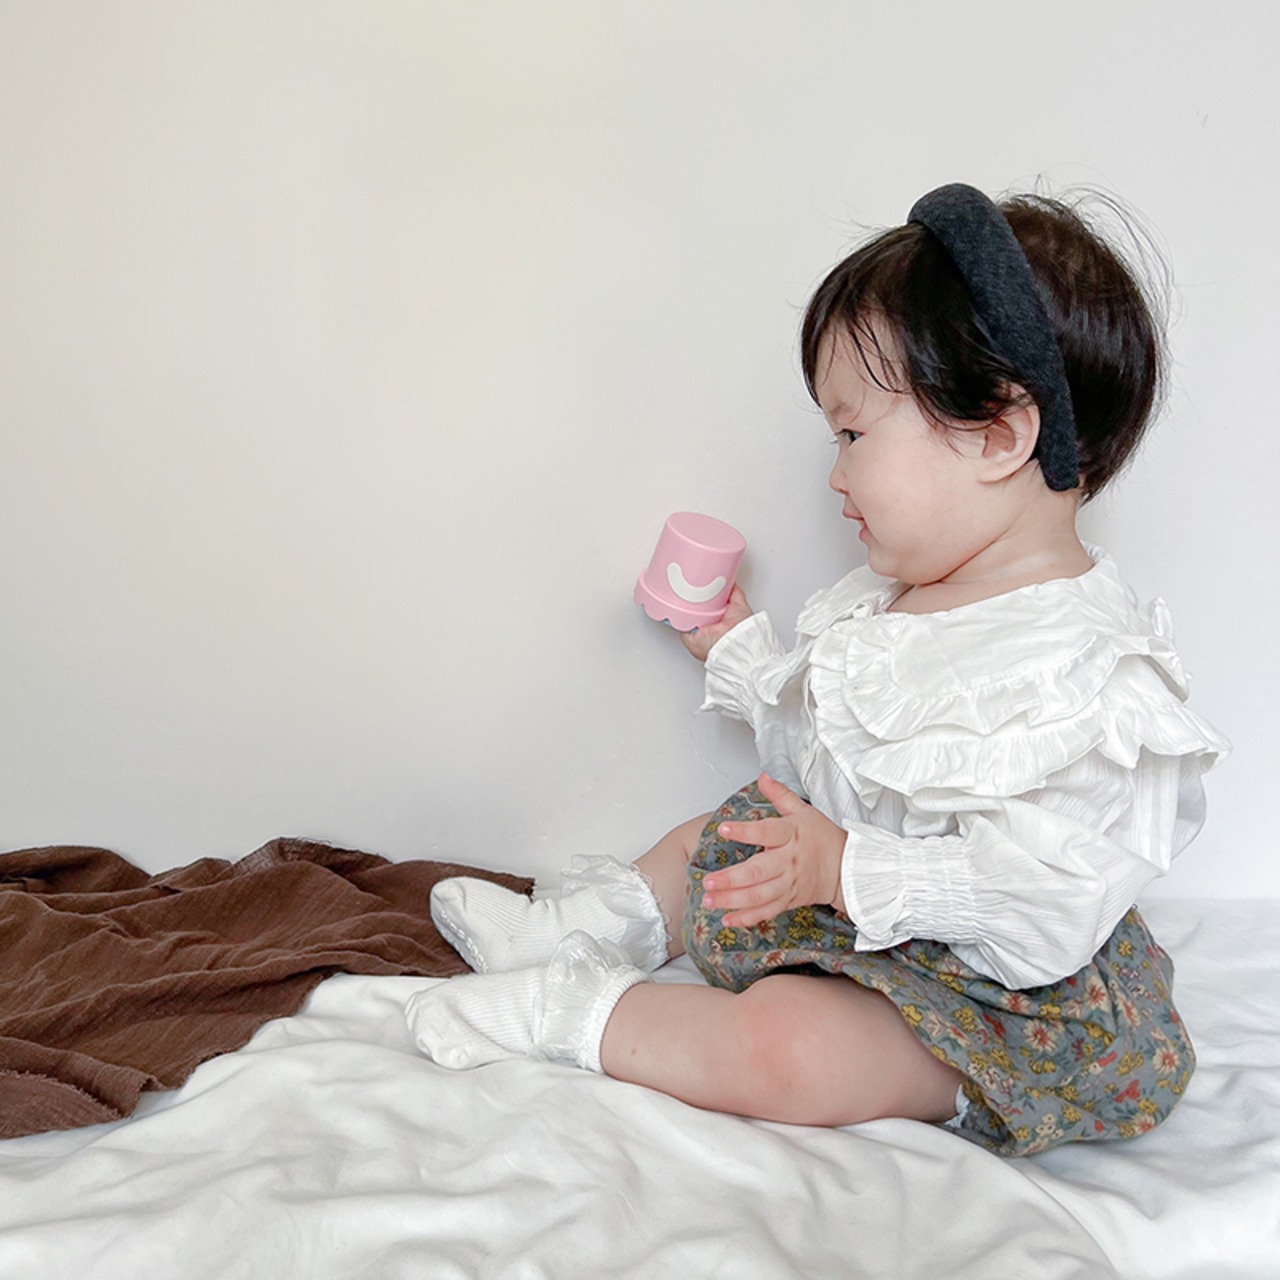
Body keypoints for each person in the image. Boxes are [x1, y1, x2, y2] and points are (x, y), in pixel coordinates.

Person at [406, 183, 1229, 1156]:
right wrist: (741, 654)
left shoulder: (1090, 677)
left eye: (852, 434)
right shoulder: (901, 598)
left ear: (997, 436)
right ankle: (578, 927)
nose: (834, 474)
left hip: (1004, 998)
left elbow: (1044, 903)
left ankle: (571, 1010)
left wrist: (850, 866)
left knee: (790, 1049)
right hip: (862, 916)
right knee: (722, 832)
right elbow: (835, 752)